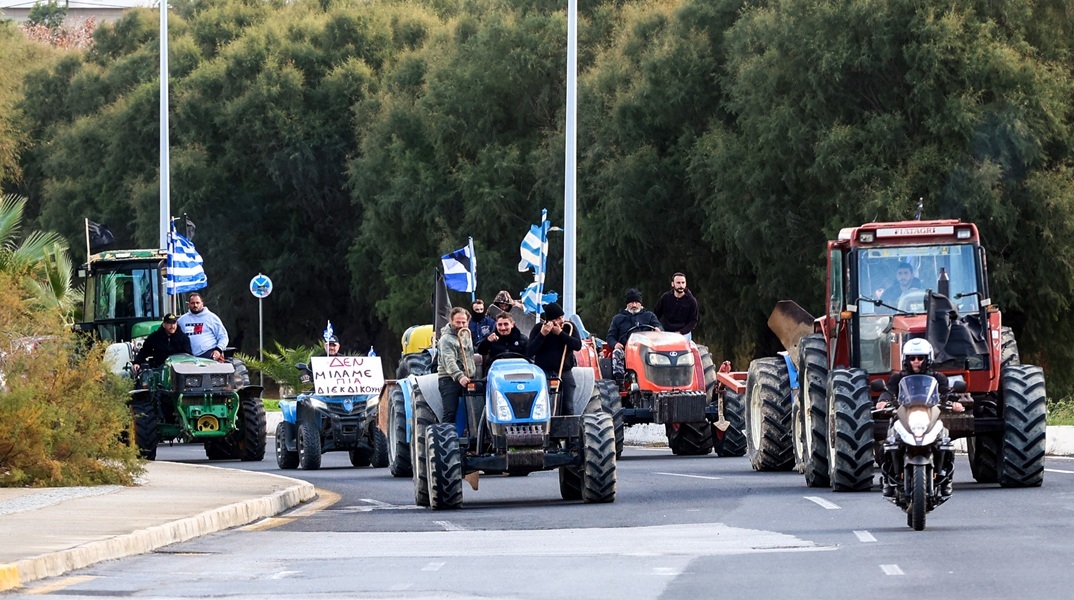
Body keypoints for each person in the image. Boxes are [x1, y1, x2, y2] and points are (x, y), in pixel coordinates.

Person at [876, 338, 960, 498]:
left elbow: (947, 394)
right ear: (905, 360)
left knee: (945, 442)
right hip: (904, 416)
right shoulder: (897, 378)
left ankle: (945, 477)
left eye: (920, 358)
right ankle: (888, 479)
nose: (916, 362)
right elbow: (888, 392)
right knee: (888, 444)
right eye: (912, 358)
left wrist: (954, 403)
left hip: (929, 416)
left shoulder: (939, 378)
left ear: (927, 359)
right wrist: (883, 401)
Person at [526, 302, 582, 415]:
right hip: (544, 371)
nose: (561, 320)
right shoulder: (538, 329)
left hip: (564, 371)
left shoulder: (569, 327)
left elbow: (577, 346)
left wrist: (561, 334)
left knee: (568, 405)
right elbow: (529, 351)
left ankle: (569, 429)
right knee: (543, 403)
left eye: (562, 317)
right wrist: (542, 335)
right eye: (557, 318)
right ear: (549, 321)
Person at [607, 288, 662, 380]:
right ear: (627, 304)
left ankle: (658, 379)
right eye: (631, 303)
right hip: (626, 350)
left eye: (636, 302)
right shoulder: (618, 318)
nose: (634, 305)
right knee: (617, 353)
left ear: (640, 303)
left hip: (647, 350)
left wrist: (658, 330)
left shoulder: (649, 316)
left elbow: (659, 327)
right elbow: (610, 337)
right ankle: (620, 380)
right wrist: (615, 344)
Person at [437, 307, 476, 433]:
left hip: (468, 376)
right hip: (449, 378)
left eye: (463, 322)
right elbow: (449, 361)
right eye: (457, 322)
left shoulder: (466, 334)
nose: (460, 325)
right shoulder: (446, 339)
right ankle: (446, 440)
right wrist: (460, 376)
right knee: (450, 412)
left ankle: (475, 436)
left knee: (475, 408)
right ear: (451, 321)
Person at [177, 292, 229, 362]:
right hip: (188, 358)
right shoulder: (181, 320)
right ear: (188, 304)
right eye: (192, 303)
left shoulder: (212, 318)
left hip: (209, 354)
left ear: (202, 303)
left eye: (197, 303)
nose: (195, 305)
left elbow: (223, 336)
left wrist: (218, 350)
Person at [653, 272, 699, 340]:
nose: (681, 285)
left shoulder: (691, 301)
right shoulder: (665, 297)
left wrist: (680, 332)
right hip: (666, 332)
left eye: (683, 283)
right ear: (672, 284)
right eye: (678, 283)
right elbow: (655, 314)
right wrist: (656, 326)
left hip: (683, 333)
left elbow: (693, 321)